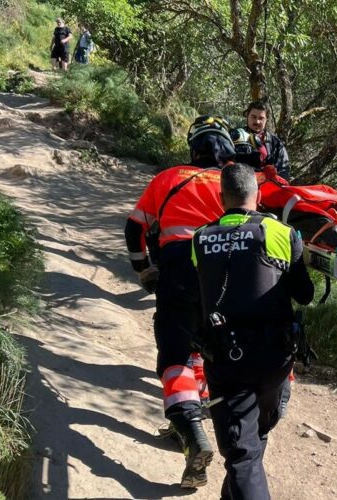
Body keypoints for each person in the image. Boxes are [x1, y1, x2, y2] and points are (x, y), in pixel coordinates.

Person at [123, 115, 236, 489]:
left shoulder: (169, 178)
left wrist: (143, 268)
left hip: (178, 272)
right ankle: (192, 416)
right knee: (205, 347)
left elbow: (135, 226)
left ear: (194, 147)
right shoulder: (236, 182)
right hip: (224, 275)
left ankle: (190, 430)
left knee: (175, 355)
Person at [191, 163, 314, 499]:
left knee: (242, 452)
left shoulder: (200, 239)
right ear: (258, 196)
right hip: (275, 360)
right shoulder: (281, 234)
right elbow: (305, 294)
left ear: (221, 199)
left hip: (226, 359)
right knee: (251, 439)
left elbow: (197, 295)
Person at [237, 101, 290, 180]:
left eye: (261, 118)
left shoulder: (275, 143)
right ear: (247, 116)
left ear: (266, 119)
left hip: (267, 187)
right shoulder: (235, 137)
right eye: (253, 117)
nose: (257, 121)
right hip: (238, 185)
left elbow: (284, 170)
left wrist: (275, 177)